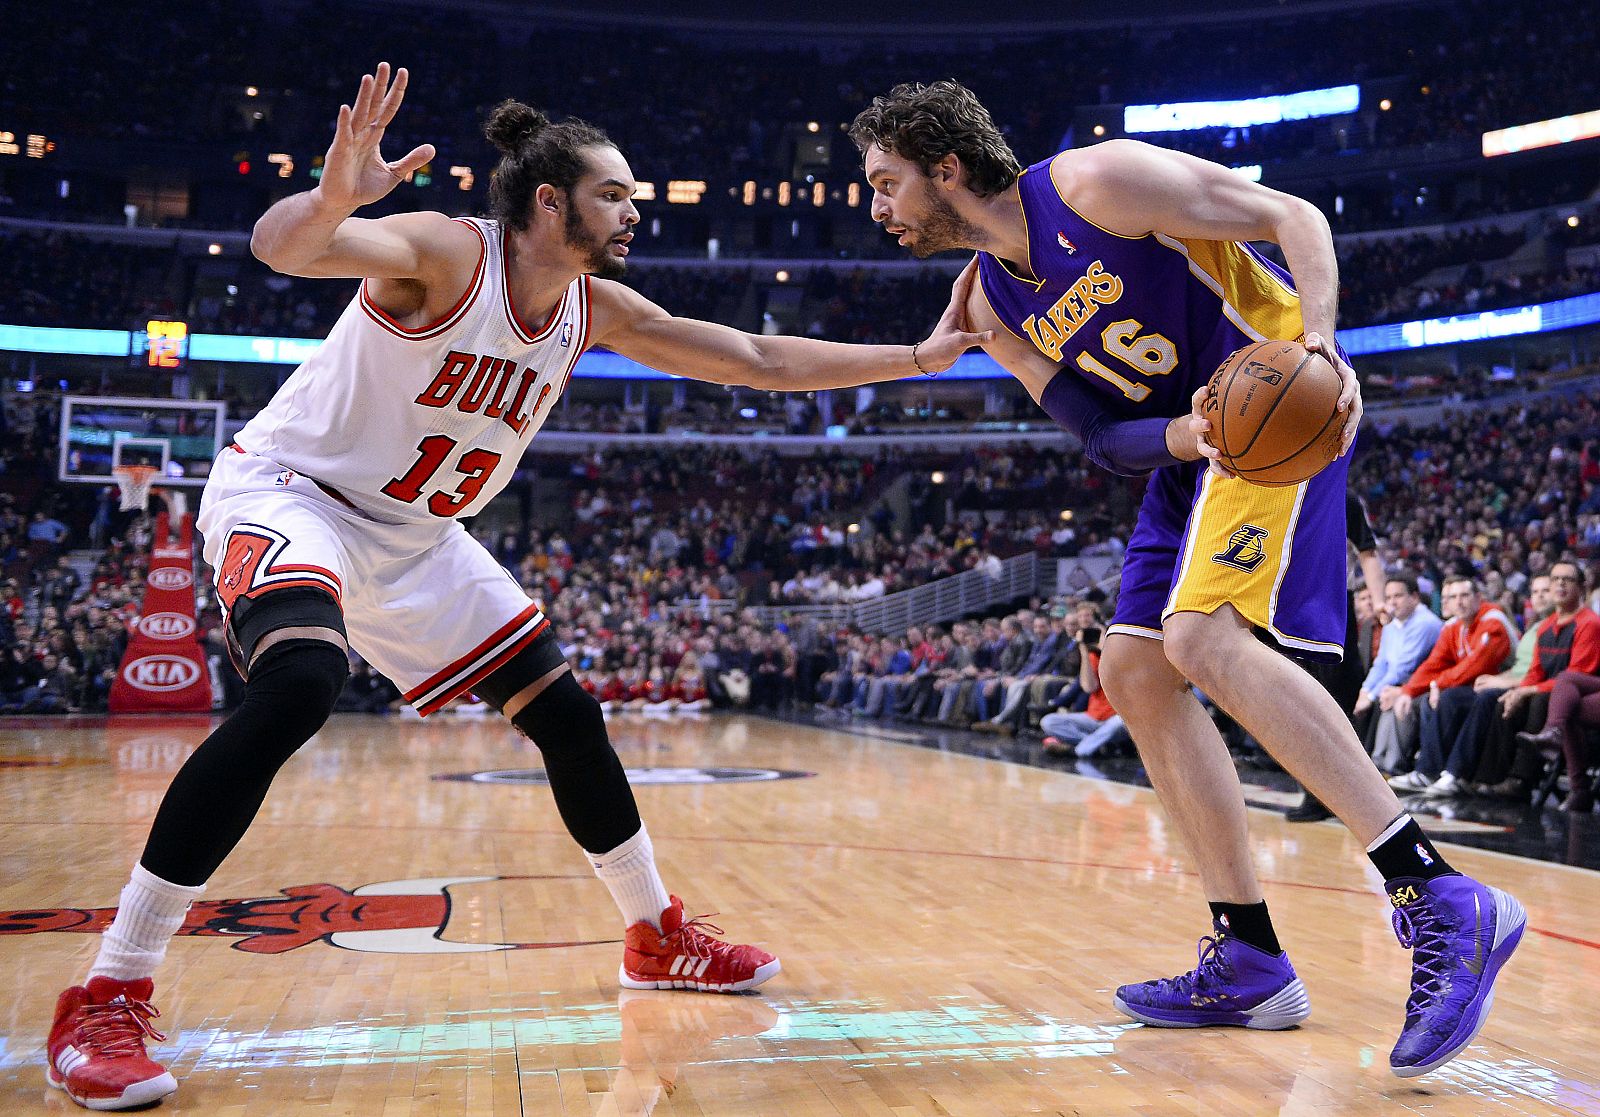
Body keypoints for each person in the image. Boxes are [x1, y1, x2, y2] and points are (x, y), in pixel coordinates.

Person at [46, 65, 987, 1112]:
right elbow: (287, 248)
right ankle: (108, 988)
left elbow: (754, 355)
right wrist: (330, 200)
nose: (635, 210)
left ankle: (653, 933)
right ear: (550, 201)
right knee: (301, 684)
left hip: (416, 532)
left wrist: (915, 356)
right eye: (615, 194)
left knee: (570, 716)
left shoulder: (591, 308)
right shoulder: (451, 253)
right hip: (295, 495)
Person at [850, 79, 1525, 1077]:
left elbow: (1292, 215)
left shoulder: (1096, 183)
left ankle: (1438, 894)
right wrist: (1183, 433)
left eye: (885, 182)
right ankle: (1248, 953)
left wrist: (1321, 343)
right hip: (1196, 450)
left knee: (1199, 638)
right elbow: (1092, 432)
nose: (876, 208)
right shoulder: (990, 303)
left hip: (1277, 398)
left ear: (944, 167)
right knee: (1132, 669)